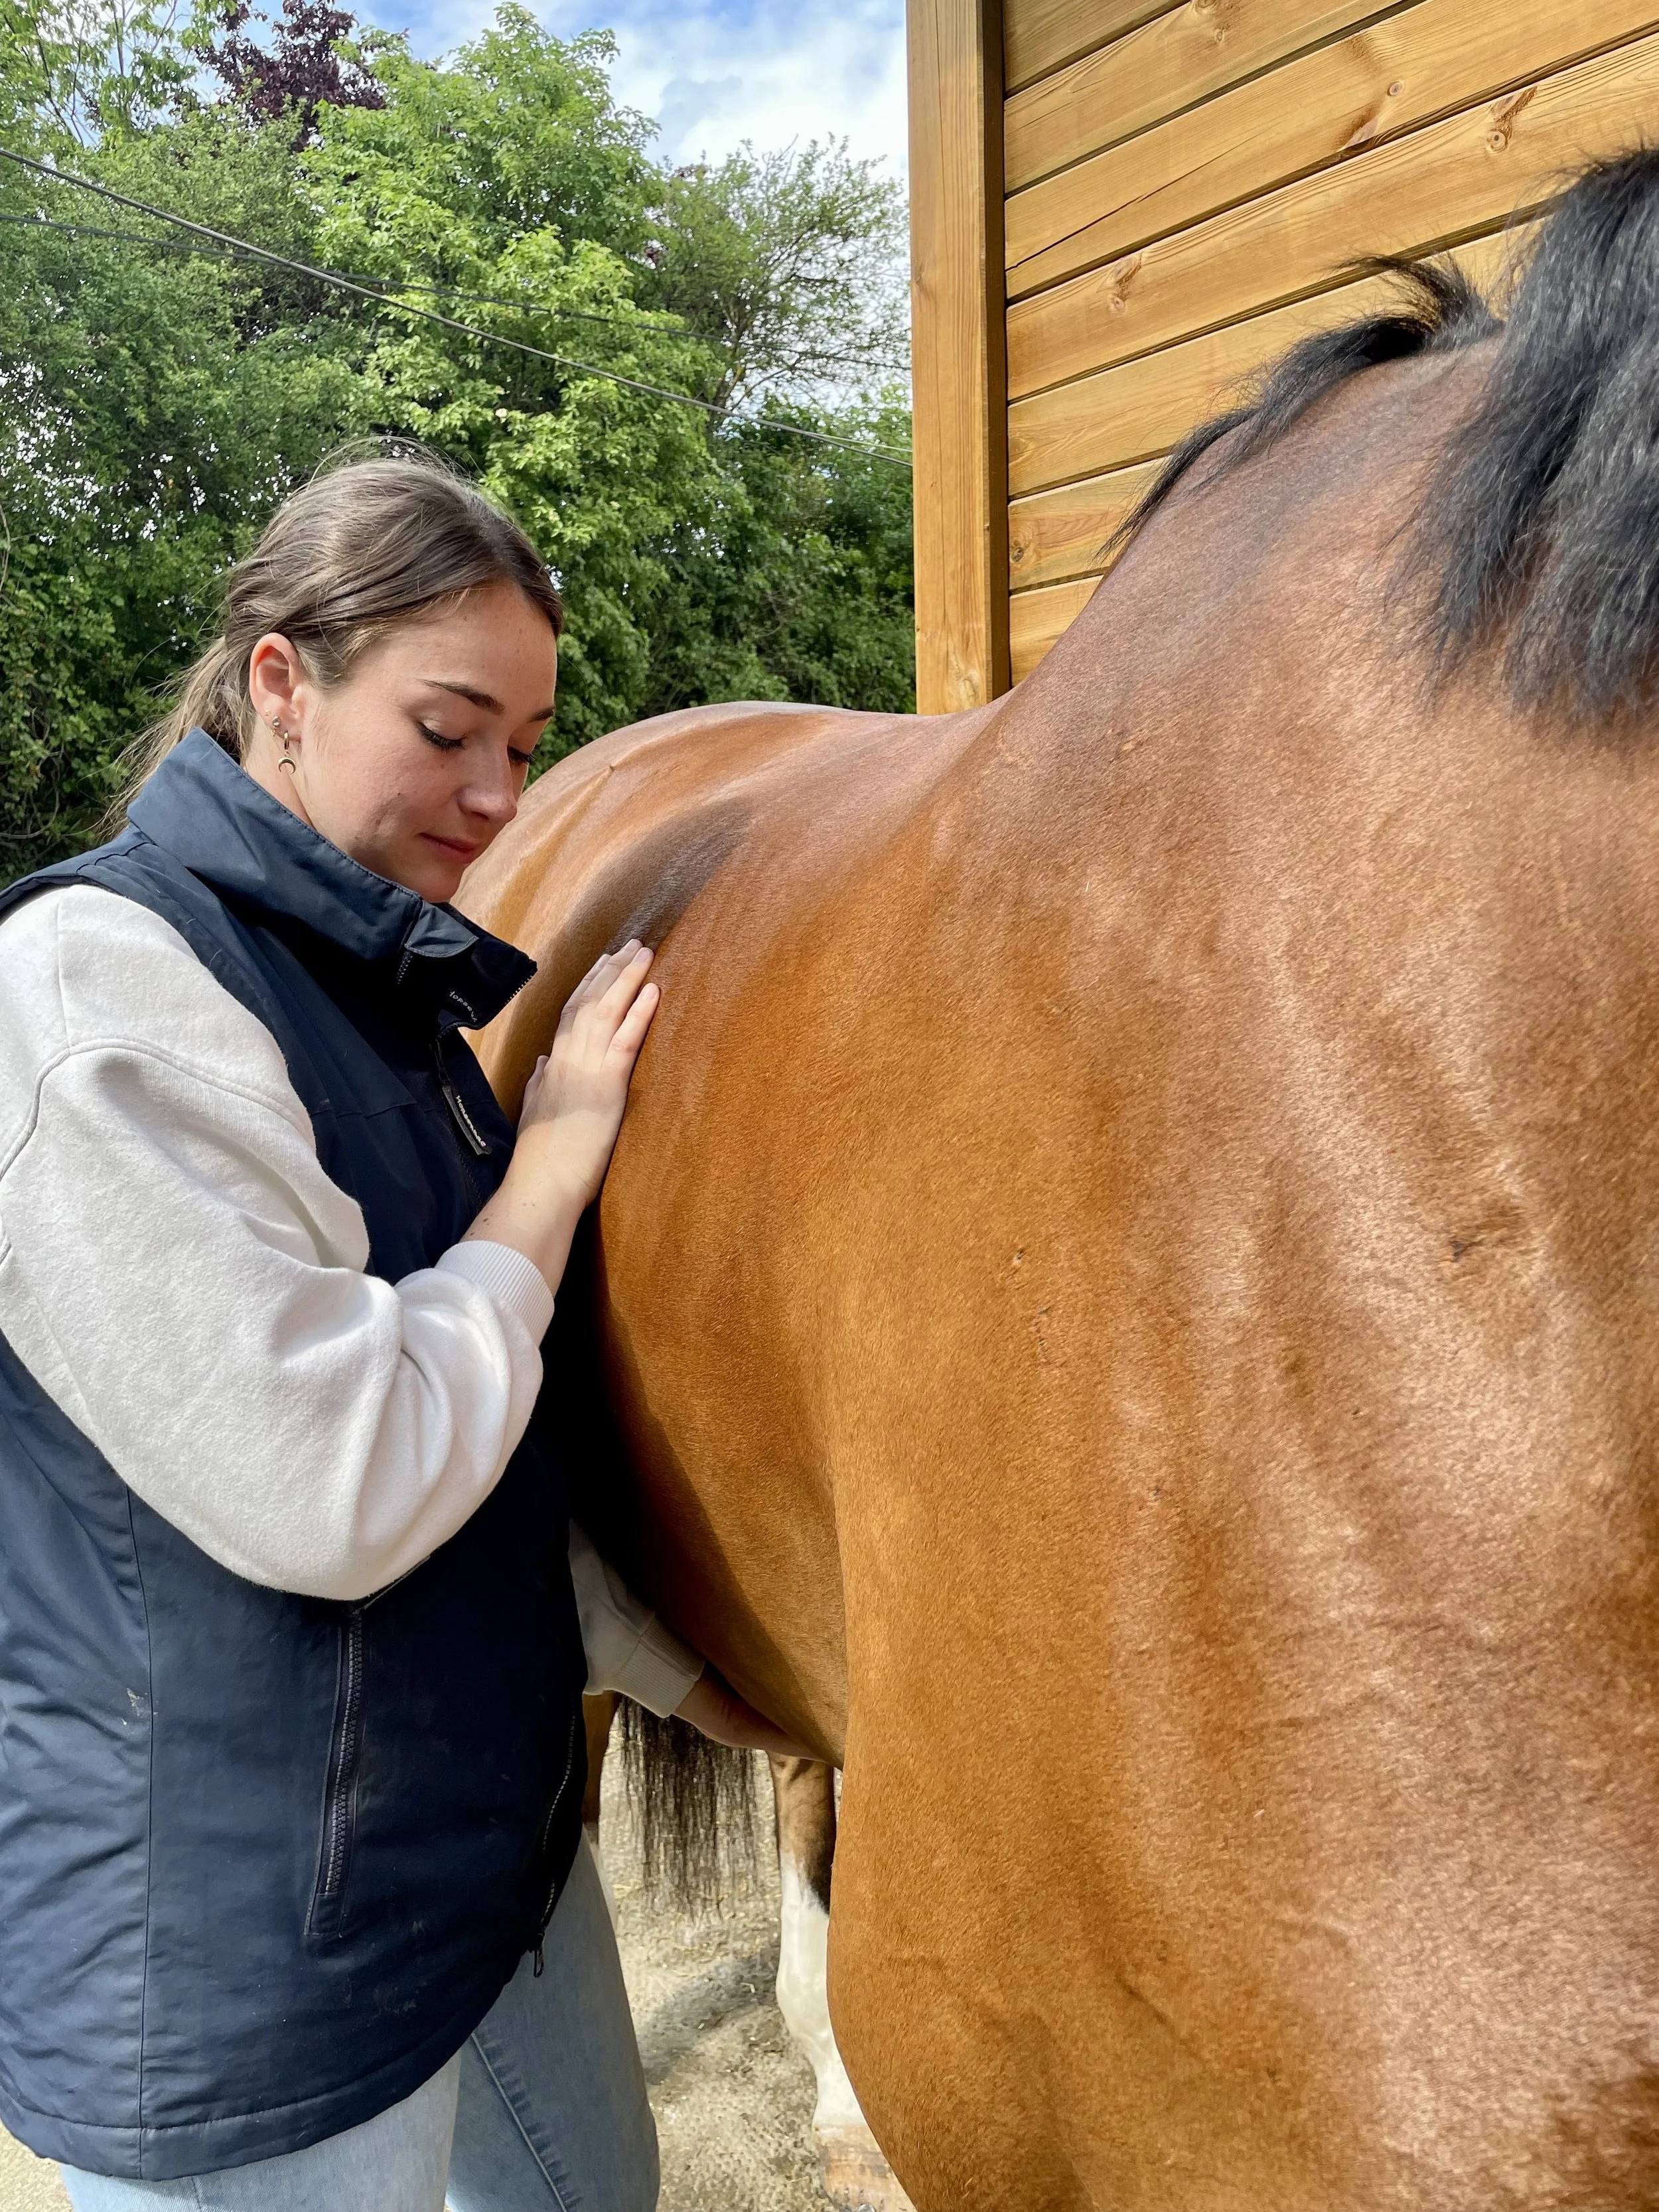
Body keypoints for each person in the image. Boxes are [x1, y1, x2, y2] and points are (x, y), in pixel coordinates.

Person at [0, 452, 799, 2211]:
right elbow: (341, 1477)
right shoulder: (96, 991)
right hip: (245, 1958)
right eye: (450, 728)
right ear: (281, 678)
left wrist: (688, 1669)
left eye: (520, 744)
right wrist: (554, 1166)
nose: (497, 794)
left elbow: (486, 1436)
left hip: (466, 1859)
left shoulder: (376, 992)